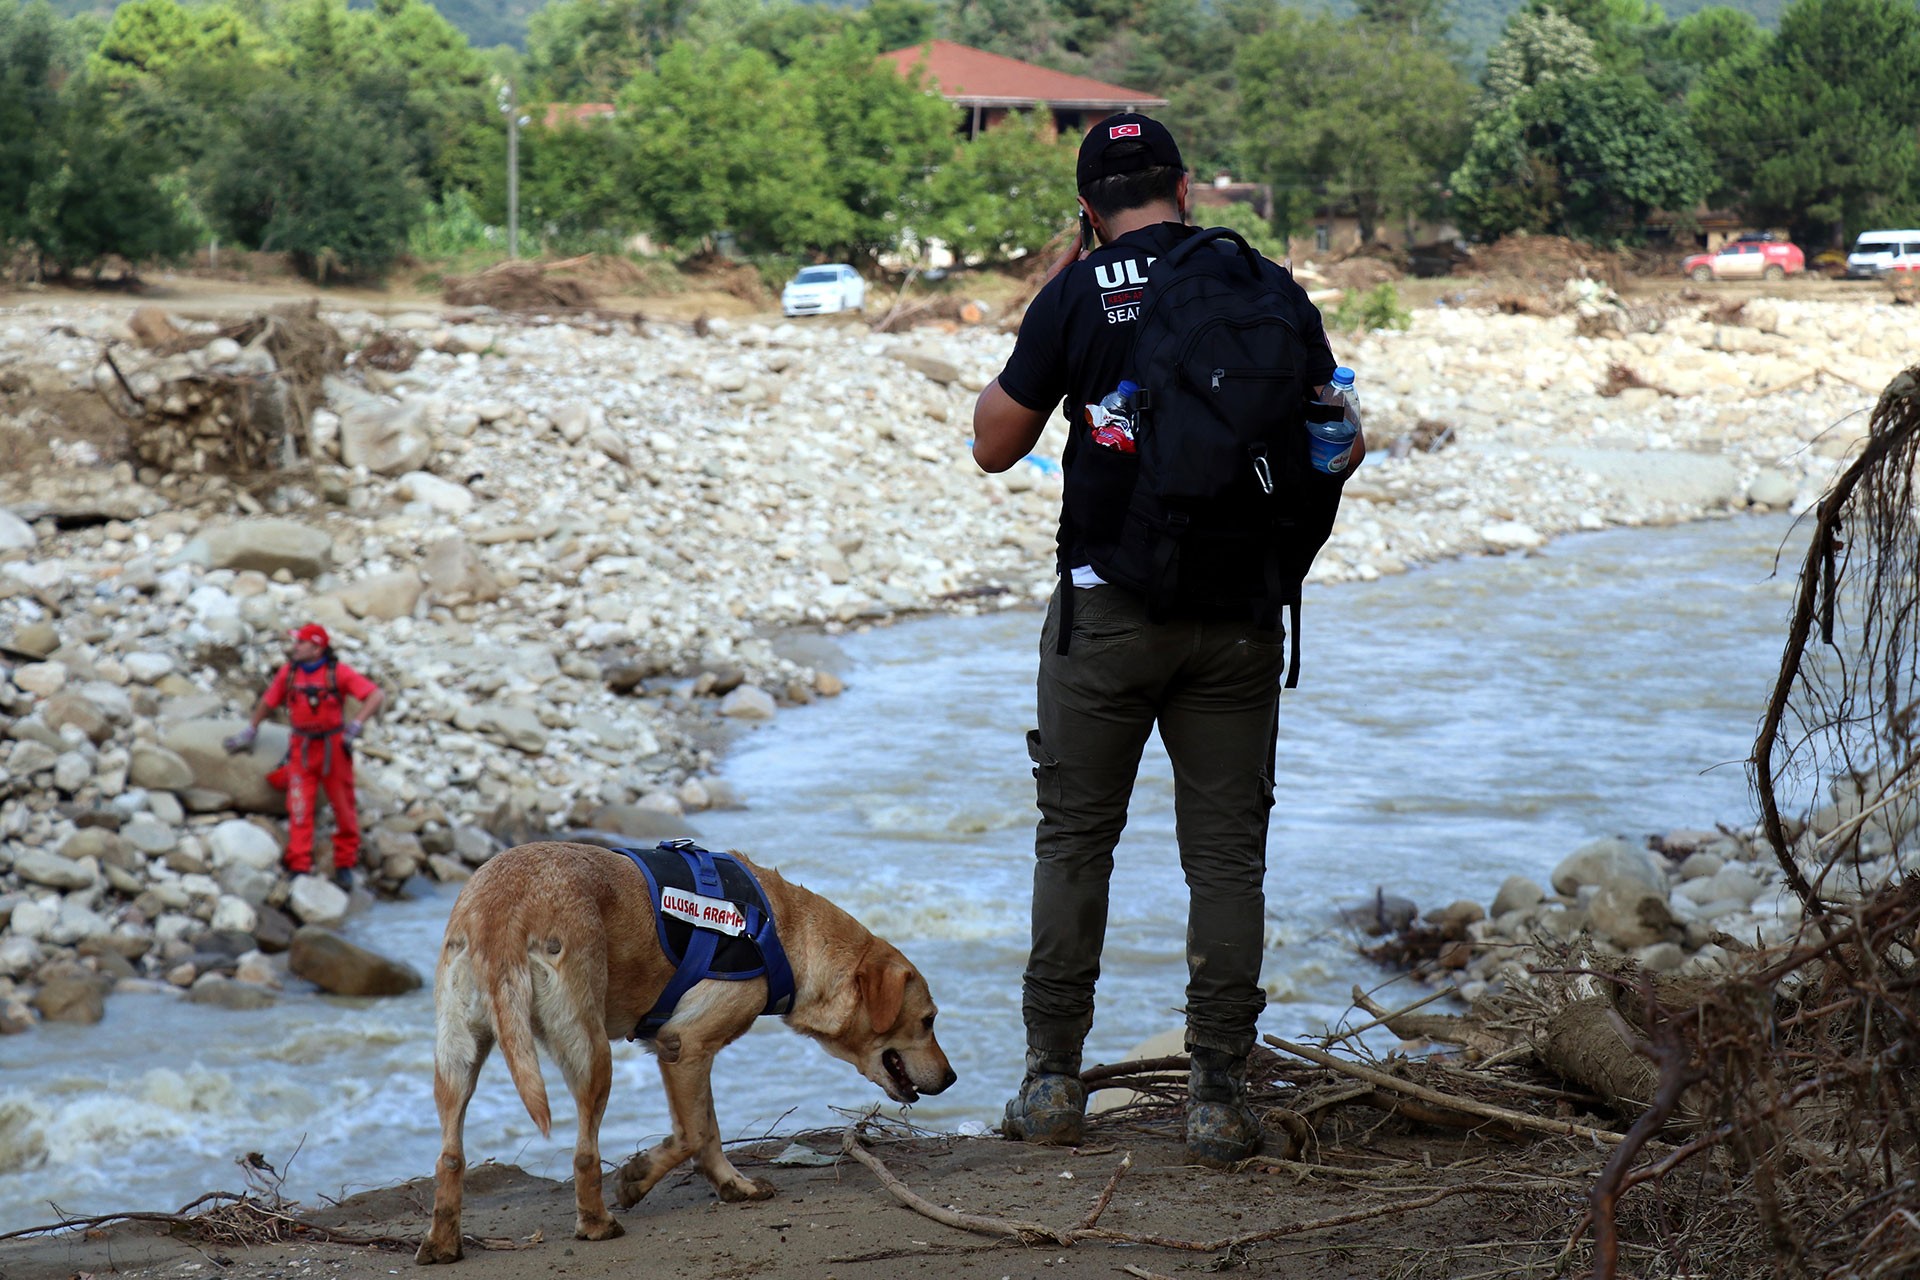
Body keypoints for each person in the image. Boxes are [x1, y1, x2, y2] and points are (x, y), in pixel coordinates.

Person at [970, 113, 1364, 1167]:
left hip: (1108, 610)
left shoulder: (1077, 291)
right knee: (1226, 860)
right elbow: (1337, 439)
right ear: (1186, 189)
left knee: (1075, 839)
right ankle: (1219, 1095)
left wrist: (1069, 288)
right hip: (1238, 617)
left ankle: (1053, 1082)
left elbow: (992, 445)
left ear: (1088, 207)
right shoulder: (1265, 287)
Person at [223, 624, 385, 891]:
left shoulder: (337, 672)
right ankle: (299, 866)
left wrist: (355, 725)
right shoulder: (290, 673)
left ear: (317, 647)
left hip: (334, 748)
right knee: (299, 808)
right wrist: (251, 730)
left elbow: (375, 695)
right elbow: (269, 701)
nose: (294, 647)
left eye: (301, 643)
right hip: (302, 747)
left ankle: (344, 864)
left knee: (344, 808)